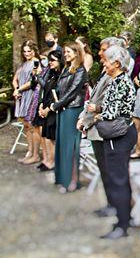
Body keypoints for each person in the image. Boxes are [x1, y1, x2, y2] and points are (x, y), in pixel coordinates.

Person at [77, 36, 126, 219]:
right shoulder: (106, 73)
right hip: (96, 127)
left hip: (106, 129)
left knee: (110, 171)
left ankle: (118, 207)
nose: (99, 53)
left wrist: (90, 117)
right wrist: (84, 118)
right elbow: (94, 99)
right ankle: (110, 203)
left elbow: (109, 106)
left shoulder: (118, 78)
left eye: (103, 49)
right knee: (104, 170)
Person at [94, 46, 136, 239]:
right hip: (122, 132)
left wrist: (96, 115)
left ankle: (122, 225)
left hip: (118, 135)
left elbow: (112, 113)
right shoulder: (117, 80)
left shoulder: (120, 82)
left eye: (106, 61)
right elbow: (113, 106)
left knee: (117, 180)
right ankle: (126, 217)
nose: (103, 63)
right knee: (121, 178)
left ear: (117, 63)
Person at [51, 41, 88, 193]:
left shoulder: (80, 70)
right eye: (65, 52)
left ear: (76, 53)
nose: (65, 54)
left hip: (72, 110)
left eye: (68, 52)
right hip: (63, 110)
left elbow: (72, 92)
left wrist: (54, 106)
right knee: (61, 144)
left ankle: (71, 181)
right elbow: (60, 89)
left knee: (70, 147)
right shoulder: (67, 68)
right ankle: (61, 178)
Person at [33, 50, 63, 171]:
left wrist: (47, 108)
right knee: (46, 136)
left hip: (53, 108)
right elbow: (44, 88)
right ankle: (48, 160)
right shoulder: (51, 72)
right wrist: (41, 105)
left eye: (52, 60)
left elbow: (59, 95)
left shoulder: (62, 75)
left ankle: (53, 162)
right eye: (49, 60)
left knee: (51, 137)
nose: (49, 62)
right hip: (45, 106)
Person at [13, 40, 41, 165]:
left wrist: (19, 89)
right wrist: (16, 89)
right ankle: (29, 152)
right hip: (21, 96)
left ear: (34, 50)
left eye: (29, 51)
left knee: (33, 126)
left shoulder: (36, 63)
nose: (26, 53)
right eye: (24, 51)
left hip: (31, 95)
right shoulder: (24, 64)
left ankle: (35, 155)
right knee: (26, 125)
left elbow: (33, 82)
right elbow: (15, 79)